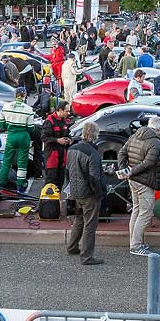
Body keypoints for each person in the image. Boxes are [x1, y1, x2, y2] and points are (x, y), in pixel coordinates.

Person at [117, 116, 160, 256]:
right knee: (146, 212)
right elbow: (148, 163)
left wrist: (124, 170)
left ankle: (134, 242)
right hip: (144, 181)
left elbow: (121, 152)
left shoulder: (135, 135)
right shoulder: (154, 142)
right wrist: (131, 171)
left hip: (133, 179)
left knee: (137, 210)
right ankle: (136, 245)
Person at [66, 121, 106, 265]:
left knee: (79, 219)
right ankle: (87, 256)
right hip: (89, 194)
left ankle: (72, 247)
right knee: (90, 225)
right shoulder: (93, 153)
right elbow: (94, 177)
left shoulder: (72, 148)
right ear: (95, 135)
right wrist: (99, 194)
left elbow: (68, 171)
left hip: (75, 191)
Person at [0, 87, 36, 192]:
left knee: (7, 160)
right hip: (23, 136)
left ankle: (2, 183)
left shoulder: (6, 107)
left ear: (15, 95)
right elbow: (31, 128)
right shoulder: (28, 109)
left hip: (11, 135)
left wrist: (10, 127)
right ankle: (20, 185)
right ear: (25, 96)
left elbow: (1, 123)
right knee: (22, 162)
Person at [41, 101, 71, 189]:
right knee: (50, 181)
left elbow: (67, 134)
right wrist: (57, 140)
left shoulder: (64, 121)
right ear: (60, 110)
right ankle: (48, 201)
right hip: (52, 155)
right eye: (67, 111)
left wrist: (69, 139)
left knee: (60, 180)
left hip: (62, 155)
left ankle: (57, 201)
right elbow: (44, 138)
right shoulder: (49, 121)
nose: (68, 113)